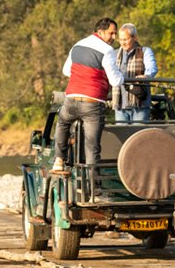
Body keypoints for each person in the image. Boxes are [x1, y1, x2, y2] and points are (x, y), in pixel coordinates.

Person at [53, 18, 124, 172]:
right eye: (111, 33)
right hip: (92, 102)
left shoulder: (77, 45)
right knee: (92, 146)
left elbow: (66, 71)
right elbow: (116, 80)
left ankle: (58, 160)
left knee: (63, 123)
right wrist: (122, 76)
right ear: (100, 32)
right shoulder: (107, 50)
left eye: (115, 33)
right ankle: (93, 187)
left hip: (71, 99)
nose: (113, 37)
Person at [113, 23, 158, 122]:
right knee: (122, 136)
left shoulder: (145, 51)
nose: (122, 43)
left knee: (139, 136)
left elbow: (152, 68)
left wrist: (146, 76)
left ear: (135, 37)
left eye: (125, 39)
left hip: (140, 104)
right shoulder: (114, 54)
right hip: (120, 105)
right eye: (120, 40)